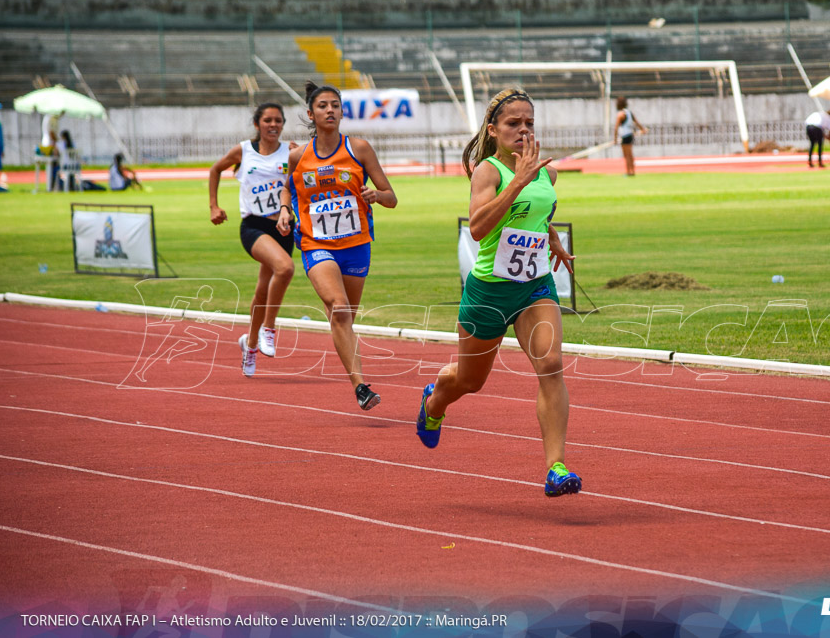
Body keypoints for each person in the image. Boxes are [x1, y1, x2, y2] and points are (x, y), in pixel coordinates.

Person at [415, 87, 582, 498]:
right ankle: (435, 402)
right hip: (489, 291)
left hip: (534, 287)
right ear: (493, 130)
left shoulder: (548, 172)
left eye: (529, 123)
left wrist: (552, 238)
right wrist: (518, 180)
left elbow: (540, 212)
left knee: (552, 363)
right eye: (513, 123)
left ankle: (556, 468)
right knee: (470, 382)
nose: (523, 130)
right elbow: (478, 227)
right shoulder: (488, 172)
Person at [276, 82, 398, 410]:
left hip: (357, 245)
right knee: (339, 308)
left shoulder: (359, 149)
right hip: (316, 244)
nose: (330, 110)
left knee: (344, 318)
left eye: (335, 105)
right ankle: (360, 386)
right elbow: (287, 187)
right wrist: (285, 209)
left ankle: (351, 367)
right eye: (323, 106)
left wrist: (376, 195)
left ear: (342, 112)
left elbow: (392, 198)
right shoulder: (298, 156)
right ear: (310, 114)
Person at [210, 103, 297, 377]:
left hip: (283, 227)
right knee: (285, 269)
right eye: (268, 120)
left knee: (262, 291)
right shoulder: (243, 151)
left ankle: (249, 345)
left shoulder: (292, 151)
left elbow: (306, 179)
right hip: (254, 226)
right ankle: (268, 330)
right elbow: (215, 170)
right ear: (257, 124)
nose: (274, 125)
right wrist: (214, 206)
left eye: (278, 121)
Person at [613, 96, 648, 177]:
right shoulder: (629, 113)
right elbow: (637, 123)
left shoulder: (620, 114)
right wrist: (643, 129)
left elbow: (616, 128)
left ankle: (629, 172)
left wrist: (615, 139)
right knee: (630, 155)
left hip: (625, 136)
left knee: (627, 155)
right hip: (630, 135)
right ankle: (632, 171)